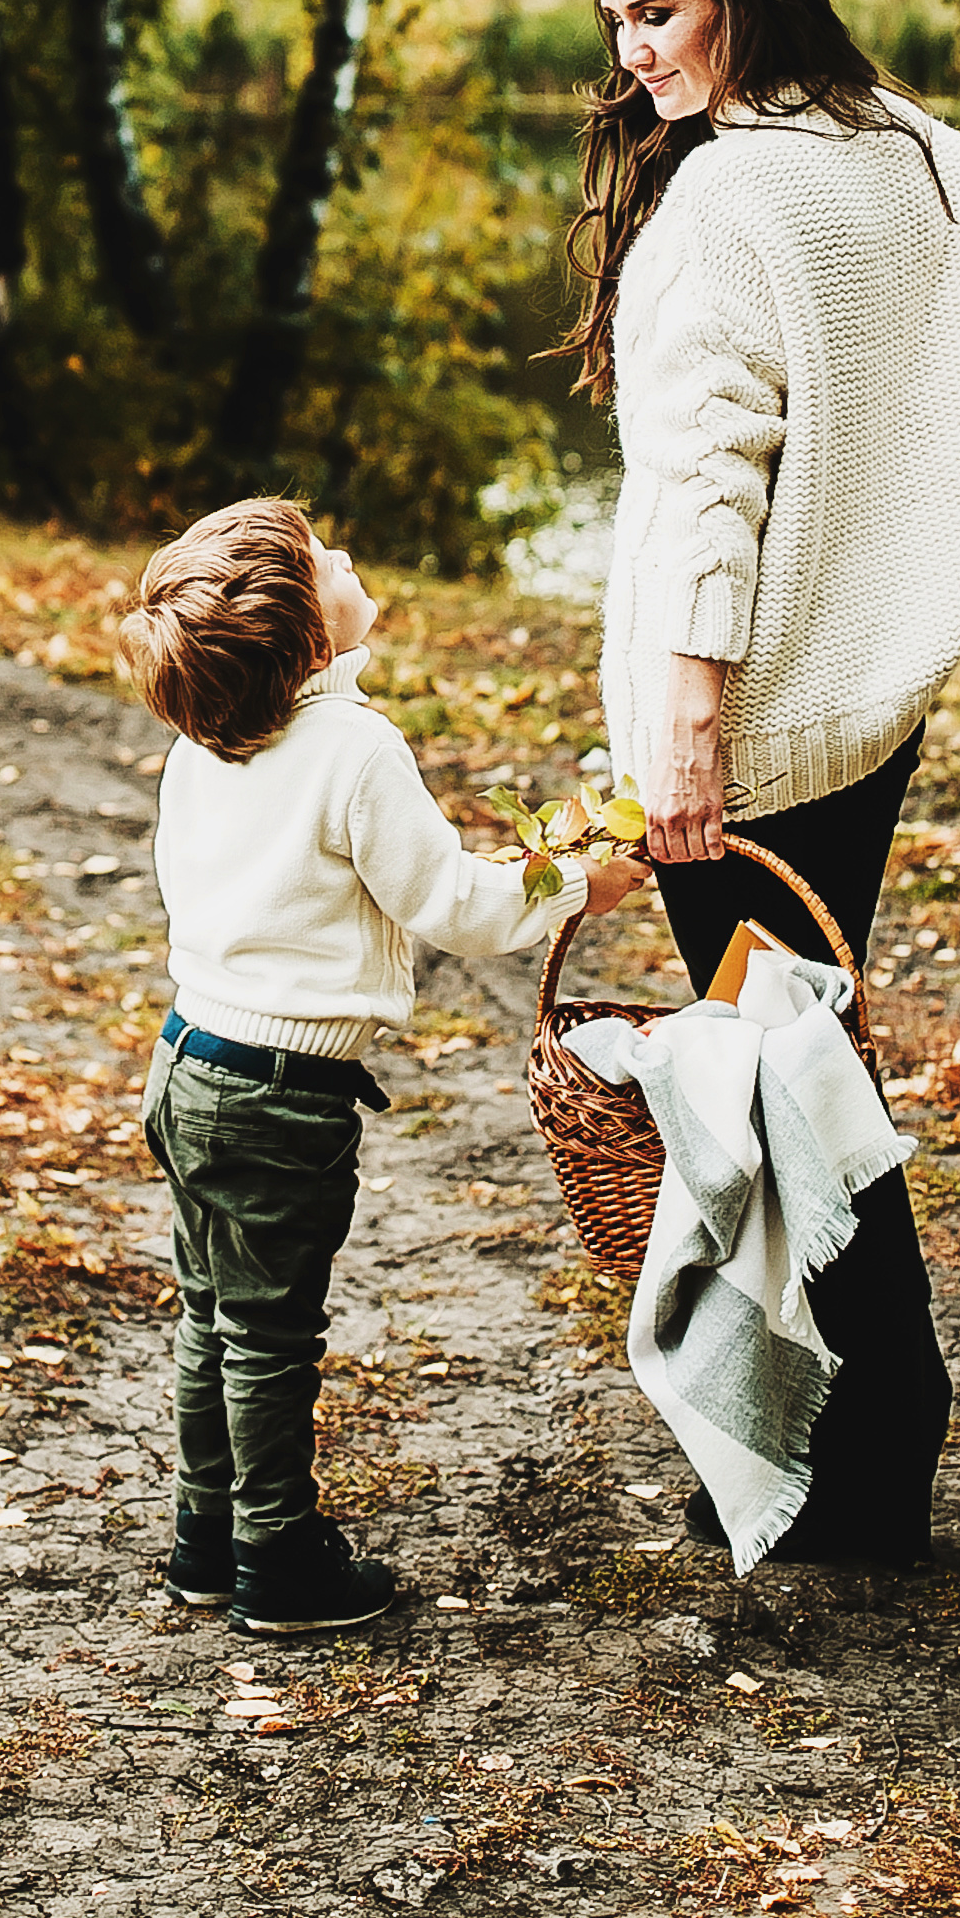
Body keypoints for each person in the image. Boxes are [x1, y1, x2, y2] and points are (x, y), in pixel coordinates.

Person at [568, 0, 960, 1562]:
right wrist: (909, 520)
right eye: (616, 20)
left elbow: (711, 490)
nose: (633, 51)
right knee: (793, 1054)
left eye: (657, 11)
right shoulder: (910, 145)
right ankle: (831, 1439)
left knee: (782, 1080)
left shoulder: (728, 203)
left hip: (743, 732)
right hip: (863, 713)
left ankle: (871, 1450)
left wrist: (685, 729)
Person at [120, 496, 647, 1635]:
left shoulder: (205, 742)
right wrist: (574, 883)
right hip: (275, 1098)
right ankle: (277, 1559)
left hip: (188, 1064)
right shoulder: (354, 749)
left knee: (212, 1314)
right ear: (310, 641)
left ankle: (205, 1537)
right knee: (270, 1337)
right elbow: (449, 903)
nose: (345, 552)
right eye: (322, 560)